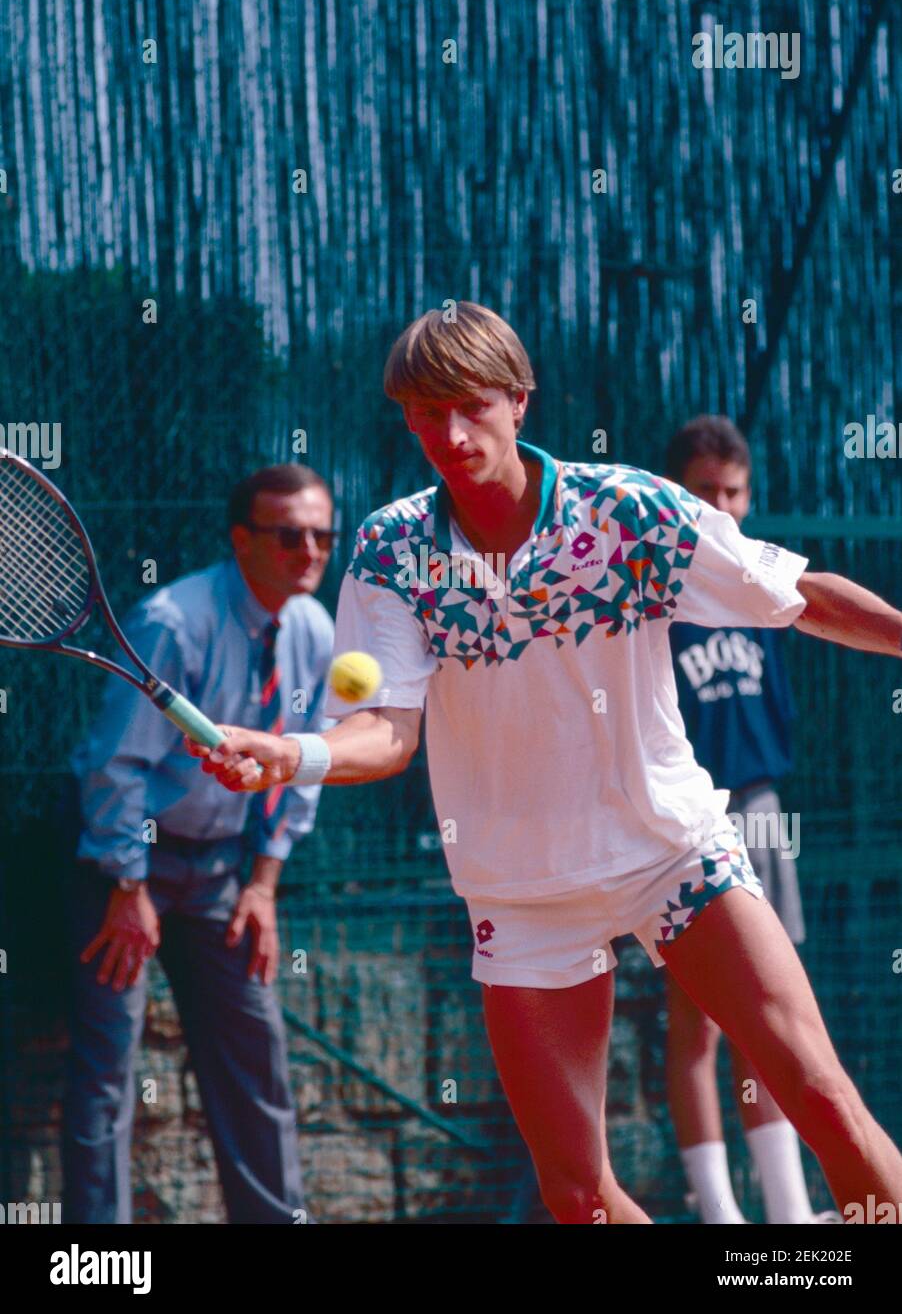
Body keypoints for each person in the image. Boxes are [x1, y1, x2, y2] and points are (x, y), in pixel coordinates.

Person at [188, 303, 902, 1224]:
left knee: (825, 1102)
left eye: (469, 406)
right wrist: (292, 753)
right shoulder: (391, 549)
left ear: (519, 402)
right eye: (422, 412)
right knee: (578, 1198)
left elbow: (797, 595)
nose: (447, 434)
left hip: (672, 855)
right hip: (521, 893)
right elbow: (389, 733)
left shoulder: (630, 511)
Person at [63, 463, 336, 1224]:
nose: (310, 550)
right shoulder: (174, 621)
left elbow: (305, 762)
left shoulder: (316, 630)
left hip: (223, 876)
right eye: (289, 535)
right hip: (124, 870)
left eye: (322, 534)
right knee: (107, 1073)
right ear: (241, 540)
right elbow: (116, 762)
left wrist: (264, 884)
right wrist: (127, 887)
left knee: (257, 1057)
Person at [665, 416, 838, 1224]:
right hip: (686, 823)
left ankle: (791, 1214)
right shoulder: (655, 596)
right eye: (706, 491)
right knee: (696, 1029)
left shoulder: (763, 595)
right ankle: (720, 1217)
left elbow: (778, 720)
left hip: (761, 812)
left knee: (771, 1018)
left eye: (734, 491)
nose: (723, 507)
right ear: (677, 496)